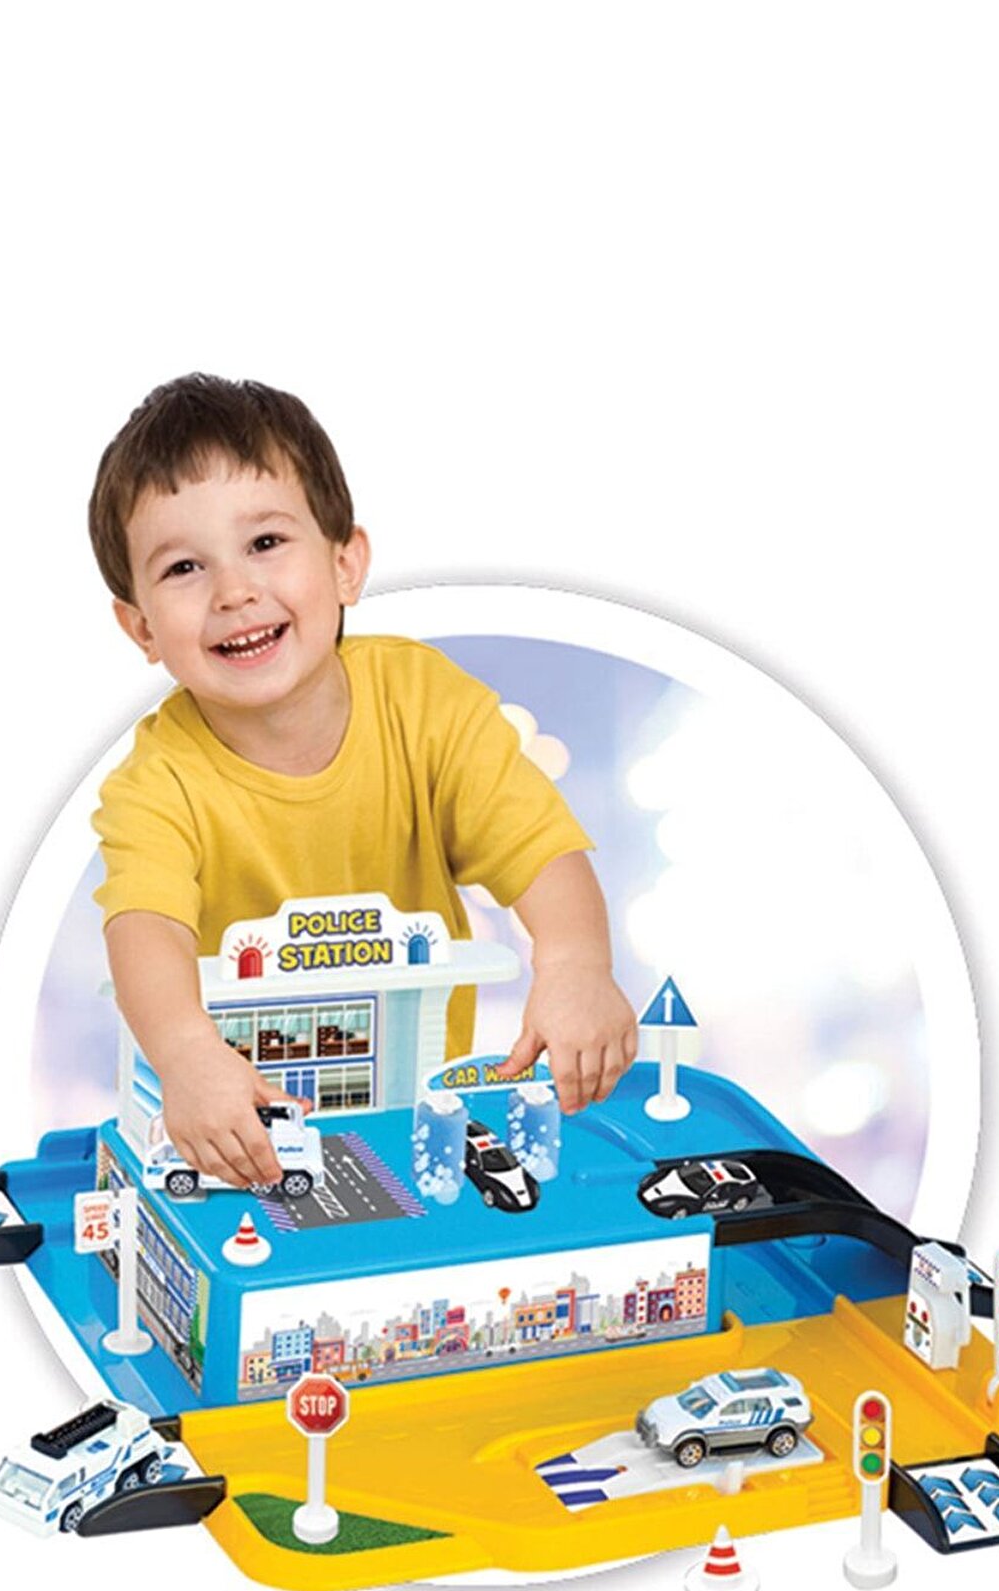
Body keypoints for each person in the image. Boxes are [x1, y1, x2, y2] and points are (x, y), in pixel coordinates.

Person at [89, 373, 636, 1189]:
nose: (235, 592)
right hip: (239, 1130)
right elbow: (144, 925)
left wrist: (575, 964)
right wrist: (185, 1054)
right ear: (140, 626)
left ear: (346, 564)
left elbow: (540, 847)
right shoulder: (154, 784)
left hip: (412, 1113)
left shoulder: (426, 704)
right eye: (184, 568)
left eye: (265, 543)